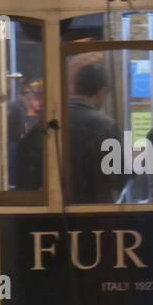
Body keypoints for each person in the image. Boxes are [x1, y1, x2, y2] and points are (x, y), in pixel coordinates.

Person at [66, 62, 122, 204]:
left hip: (57, 216)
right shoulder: (106, 126)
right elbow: (119, 179)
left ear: (76, 88)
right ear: (101, 92)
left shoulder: (50, 122)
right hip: (96, 214)